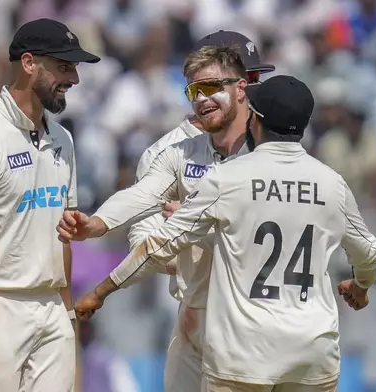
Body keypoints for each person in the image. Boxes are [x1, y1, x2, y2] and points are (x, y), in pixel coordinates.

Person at [73, 75, 376, 391]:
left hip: (243, 353)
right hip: (312, 351)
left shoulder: (228, 179)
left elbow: (160, 245)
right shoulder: (332, 184)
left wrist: (101, 291)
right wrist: (361, 285)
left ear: (256, 121)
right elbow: (370, 252)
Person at [58, 43, 253, 391]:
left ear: (242, 87)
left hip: (250, 317)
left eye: (211, 87)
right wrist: (96, 225)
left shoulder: (267, 150)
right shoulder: (176, 151)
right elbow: (142, 200)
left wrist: (196, 226)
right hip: (194, 311)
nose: (202, 99)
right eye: (195, 90)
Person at [0, 18, 100, 392]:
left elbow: (61, 235)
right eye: (64, 67)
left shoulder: (63, 139)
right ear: (29, 63)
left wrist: (67, 317)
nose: (75, 79)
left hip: (50, 308)